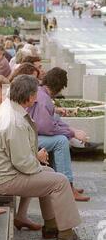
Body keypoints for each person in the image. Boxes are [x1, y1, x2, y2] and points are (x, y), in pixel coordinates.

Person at [0, 75, 94, 240]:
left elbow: (18, 157)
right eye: (36, 93)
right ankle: (66, 235)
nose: (38, 97)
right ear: (30, 97)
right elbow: (24, 164)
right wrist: (37, 160)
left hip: (1, 173)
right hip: (4, 179)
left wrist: (38, 164)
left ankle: (50, 226)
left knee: (49, 174)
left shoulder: (9, 109)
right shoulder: (14, 121)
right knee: (60, 181)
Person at [27, 68, 91, 202]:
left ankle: (62, 182)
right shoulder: (44, 99)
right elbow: (46, 128)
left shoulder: (41, 93)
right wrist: (72, 133)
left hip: (29, 135)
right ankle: (67, 185)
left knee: (61, 137)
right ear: (59, 86)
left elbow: (49, 122)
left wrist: (71, 131)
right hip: (30, 139)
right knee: (61, 141)